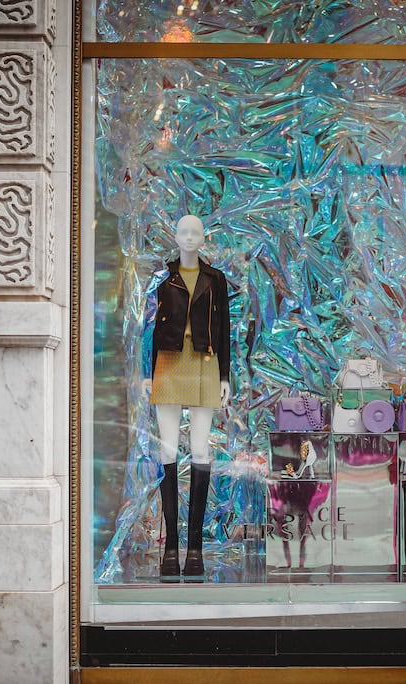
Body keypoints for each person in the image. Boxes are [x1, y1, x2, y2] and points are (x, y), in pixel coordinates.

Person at [141, 214, 231, 581]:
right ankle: (171, 546)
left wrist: (226, 375)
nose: (190, 237)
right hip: (169, 361)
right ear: (176, 236)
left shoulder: (216, 279)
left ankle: (195, 548)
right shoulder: (164, 278)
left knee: (200, 450)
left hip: (206, 362)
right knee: (167, 450)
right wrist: (146, 372)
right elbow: (146, 326)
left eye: (196, 232)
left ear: (203, 237)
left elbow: (224, 327)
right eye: (184, 231)